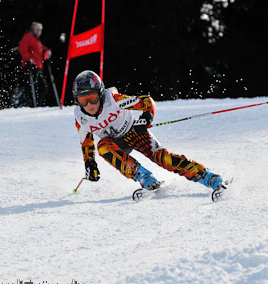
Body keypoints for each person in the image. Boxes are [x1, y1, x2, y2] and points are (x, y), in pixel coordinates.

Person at [73, 70, 228, 194]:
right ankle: (144, 177)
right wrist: (90, 163)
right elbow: (86, 143)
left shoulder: (113, 100)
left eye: (92, 98)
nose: (89, 104)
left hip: (135, 133)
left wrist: (146, 118)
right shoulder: (81, 119)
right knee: (103, 146)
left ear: (100, 93)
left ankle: (208, 177)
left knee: (163, 158)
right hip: (115, 144)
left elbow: (147, 102)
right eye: (83, 100)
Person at [17, 21, 52, 107]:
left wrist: (47, 52)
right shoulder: (28, 37)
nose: (39, 31)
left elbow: (42, 49)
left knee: (42, 87)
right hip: (30, 66)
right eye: (37, 29)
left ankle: (35, 104)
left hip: (37, 66)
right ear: (33, 29)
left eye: (40, 30)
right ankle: (29, 104)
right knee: (34, 87)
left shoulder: (36, 40)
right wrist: (28, 58)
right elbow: (22, 48)